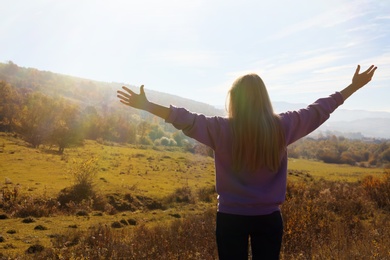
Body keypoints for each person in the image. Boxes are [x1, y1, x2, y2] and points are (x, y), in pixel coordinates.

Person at [117, 65, 377, 259]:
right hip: (269, 218)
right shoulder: (282, 126)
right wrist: (353, 87)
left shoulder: (220, 129)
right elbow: (320, 109)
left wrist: (148, 106)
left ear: (234, 98)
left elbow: (185, 118)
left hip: (230, 218)